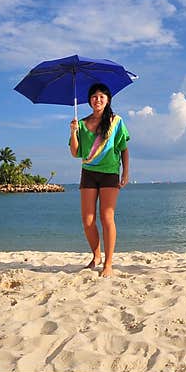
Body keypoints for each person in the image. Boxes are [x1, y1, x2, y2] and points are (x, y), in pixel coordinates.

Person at [69, 82, 131, 278]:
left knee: (107, 218)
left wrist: (125, 172)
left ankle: (108, 263)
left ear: (108, 99)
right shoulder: (80, 123)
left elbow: (123, 148)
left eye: (101, 96)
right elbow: (76, 153)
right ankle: (96, 256)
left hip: (110, 173)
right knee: (88, 221)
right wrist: (73, 131)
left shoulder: (116, 122)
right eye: (94, 96)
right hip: (88, 172)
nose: (98, 99)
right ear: (89, 100)